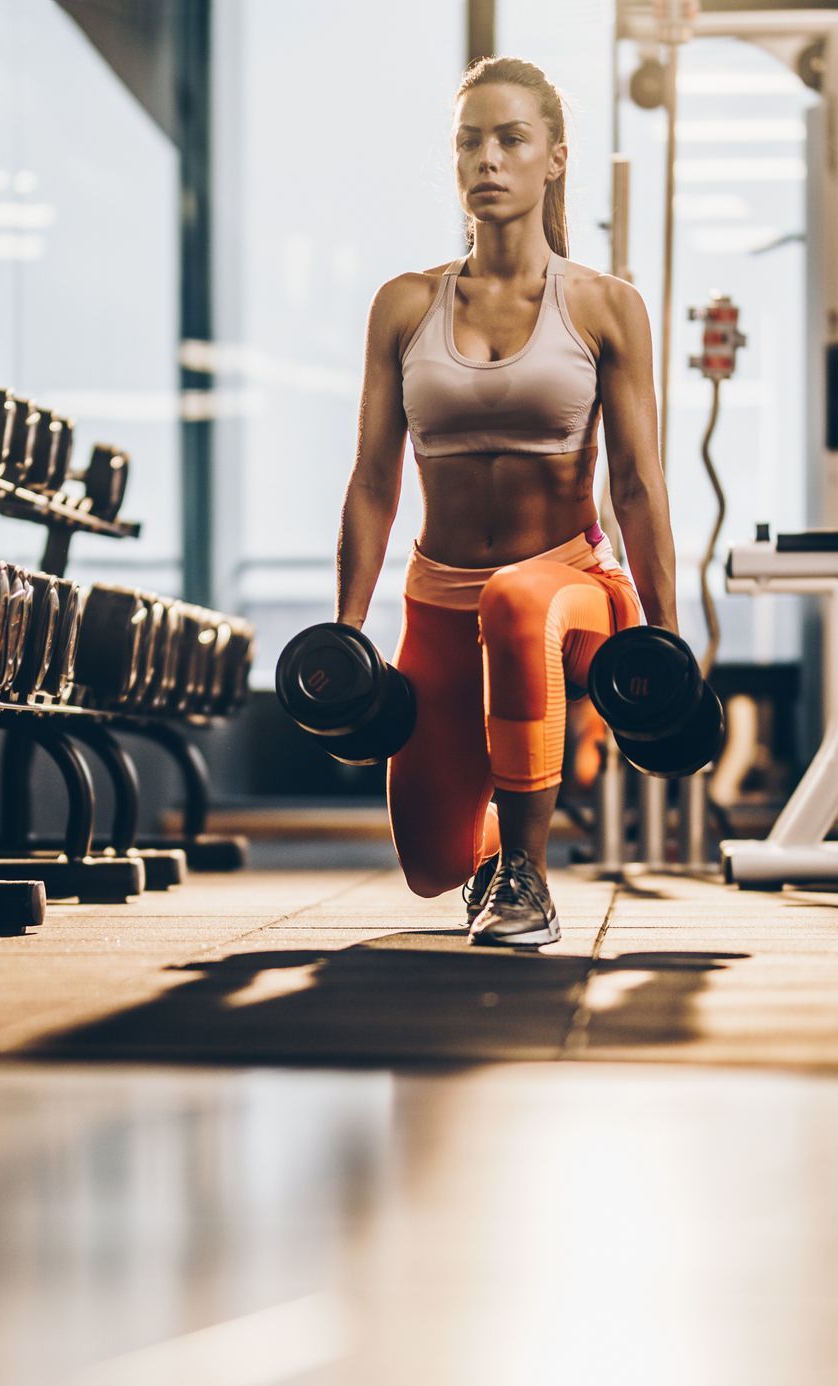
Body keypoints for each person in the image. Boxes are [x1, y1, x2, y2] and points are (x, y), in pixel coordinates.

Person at [333, 55, 681, 948]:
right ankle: (492, 855)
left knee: (516, 599)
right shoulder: (405, 305)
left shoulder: (605, 307)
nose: (487, 159)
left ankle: (529, 876)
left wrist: (668, 636)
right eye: (470, 142)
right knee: (431, 865)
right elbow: (375, 479)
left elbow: (637, 483)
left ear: (553, 159)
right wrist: (346, 634)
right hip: (440, 597)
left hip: (570, 589)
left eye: (510, 139)